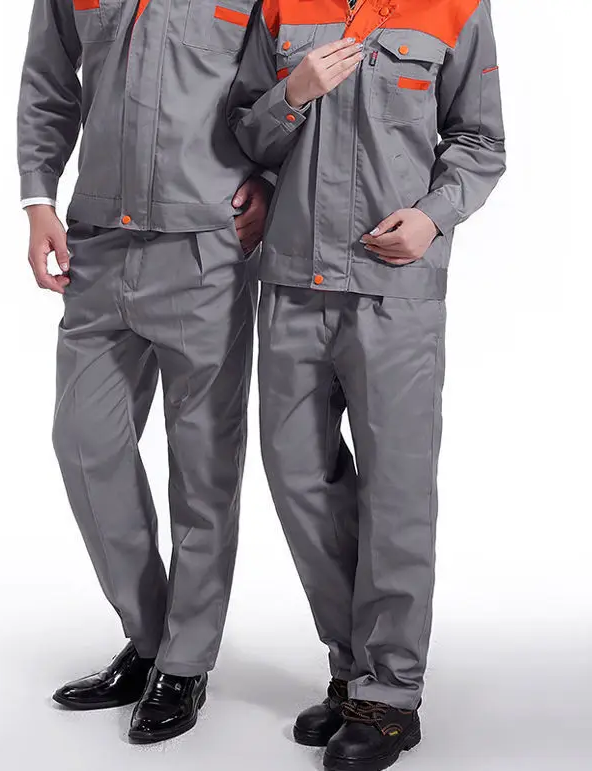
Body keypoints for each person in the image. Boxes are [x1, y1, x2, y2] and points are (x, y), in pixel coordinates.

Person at [228, 0, 505, 768]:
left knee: (396, 494)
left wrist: (433, 216)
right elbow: (244, 133)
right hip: (292, 281)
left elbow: (481, 140)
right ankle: (353, 667)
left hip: (395, 292)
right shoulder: (282, 4)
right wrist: (292, 94)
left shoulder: (455, 6)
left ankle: (388, 695)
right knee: (298, 479)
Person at [17, 0, 267, 744]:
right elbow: (49, 79)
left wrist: (270, 178)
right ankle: (154, 638)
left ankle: (184, 663)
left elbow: (281, 85)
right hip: (97, 243)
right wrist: (38, 197)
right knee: (84, 442)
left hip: (207, 245)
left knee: (203, 468)